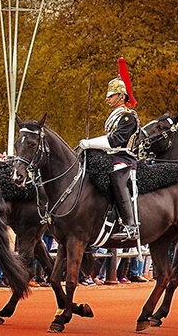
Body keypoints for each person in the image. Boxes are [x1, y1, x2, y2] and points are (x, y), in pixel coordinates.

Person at [79, 58, 140, 241]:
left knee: (116, 177)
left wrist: (90, 143)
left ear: (122, 97)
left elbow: (116, 141)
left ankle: (130, 224)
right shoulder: (114, 116)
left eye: (111, 95)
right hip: (110, 157)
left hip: (124, 159)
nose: (107, 98)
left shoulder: (128, 117)